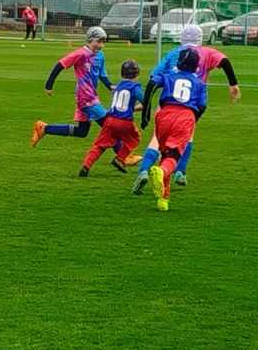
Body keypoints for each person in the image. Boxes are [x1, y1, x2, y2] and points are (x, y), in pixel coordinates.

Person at [131, 24, 240, 192]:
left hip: (166, 105)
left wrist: (147, 105)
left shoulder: (173, 53)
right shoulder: (207, 52)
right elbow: (224, 61)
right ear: (200, 38)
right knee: (187, 138)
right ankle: (180, 172)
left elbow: (154, 76)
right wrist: (233, 84)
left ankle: (144, 170)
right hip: (190, 108)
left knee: (156, 140)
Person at [140, 47, 208, 213]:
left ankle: (163, 199)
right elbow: (202, 105)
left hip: (164, 115)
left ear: (178, 62)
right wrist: (194, 119)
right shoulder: (199, 83)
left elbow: (152, 84)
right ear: (196, 66)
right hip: (184, 117)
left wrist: (145, 113)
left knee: (165, 153)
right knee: (173, 156)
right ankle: (162, 171)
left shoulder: (168, 75)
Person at [31, 26, 113, 147]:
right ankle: (124, 154)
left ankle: (44, 128)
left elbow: (102, 74)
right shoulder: (81, 53)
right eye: (99, 42)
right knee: (109, 126)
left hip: (91, 96)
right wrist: (49, 84)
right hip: (85, 97)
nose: (101, 45)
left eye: (103, 42)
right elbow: (60, 65)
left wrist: (110, 86)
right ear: (91, 40)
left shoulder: (100, 55)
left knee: (82, 131)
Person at [81, 60, 143, 177]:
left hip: (109, 119)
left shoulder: (118, 86)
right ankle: (120, 159)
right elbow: (143, 101)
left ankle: (86, 165)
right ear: (137, 74)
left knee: (100, 145)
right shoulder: (135, 87)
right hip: (125, 122)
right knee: (134, 139)